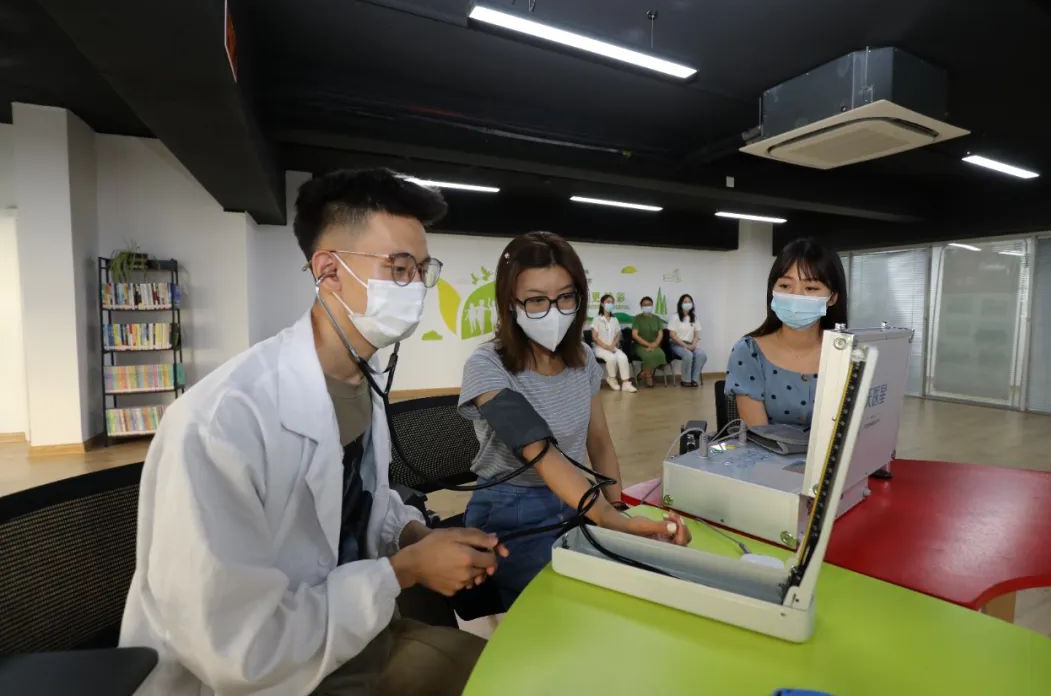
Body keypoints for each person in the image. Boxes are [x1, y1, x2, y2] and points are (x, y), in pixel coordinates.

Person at [120, 168, 508, 696]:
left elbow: (359, 500)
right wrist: (405, 571)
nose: (417, 288)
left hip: (350, 634)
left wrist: (416, 536)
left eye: (423, 270)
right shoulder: (221, 422)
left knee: (508, 672)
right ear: (328, 270)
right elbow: (236, 649)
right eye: (399, 268)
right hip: (261, 676)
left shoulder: (360, 381)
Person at [459, 232, 690, 607]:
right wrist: (611, 520)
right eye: (536, 300)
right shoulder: (486, 365)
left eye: (565, 297)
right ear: (510, 303)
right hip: (512, 510)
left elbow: (599, 442)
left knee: (635, 579)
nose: (554, 311)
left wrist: (618, 508)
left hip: (577, 499)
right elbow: (538, 451)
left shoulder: (582, 358)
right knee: (573, 601)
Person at [726, 237, 848, 427]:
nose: (796, 296)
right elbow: (759, 435)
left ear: (832, 298)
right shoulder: (749, 352)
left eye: (811, 288)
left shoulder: (850, 354)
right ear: (772, 291)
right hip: (769, 447)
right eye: (785, 286)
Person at [591, 293, 636, 392]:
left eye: (612, 302)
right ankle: (611, 379)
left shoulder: (614, 319)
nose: (610, 304)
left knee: (623, 357)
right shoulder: (597, 319)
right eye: (608, 302)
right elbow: (595, 337)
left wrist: (613, 345)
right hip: (600, 348)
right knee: (611, 358)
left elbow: (618, 334)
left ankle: (626, 383)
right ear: (602, 304)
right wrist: (607, 347)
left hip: (612, 347)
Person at [668, 294, 707, 387]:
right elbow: (672, 335)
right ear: (680, 304)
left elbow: (697, 334)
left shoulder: (694, 318)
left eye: (689, 302)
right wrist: (686, 346)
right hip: (676, 344)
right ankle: (686, 380)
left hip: (690, 344)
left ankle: (694, 379)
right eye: (685, 302)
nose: (687, 303)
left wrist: (693, 345)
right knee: (688, 354)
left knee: (701, 354)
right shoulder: (675, 317)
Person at [631, 296, 668, 387]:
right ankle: (648, 377)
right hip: (640, 345)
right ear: (641, 306)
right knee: (648, 356)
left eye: (649, 304)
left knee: (661, 355)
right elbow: (635, 335)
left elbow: (660, 334)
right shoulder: (637, 318)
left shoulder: (657, 318)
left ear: (652, 305)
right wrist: (648, 345)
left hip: (655, 344)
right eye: (645, 305)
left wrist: (655, 344)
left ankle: (643, 372)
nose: (647, 306)